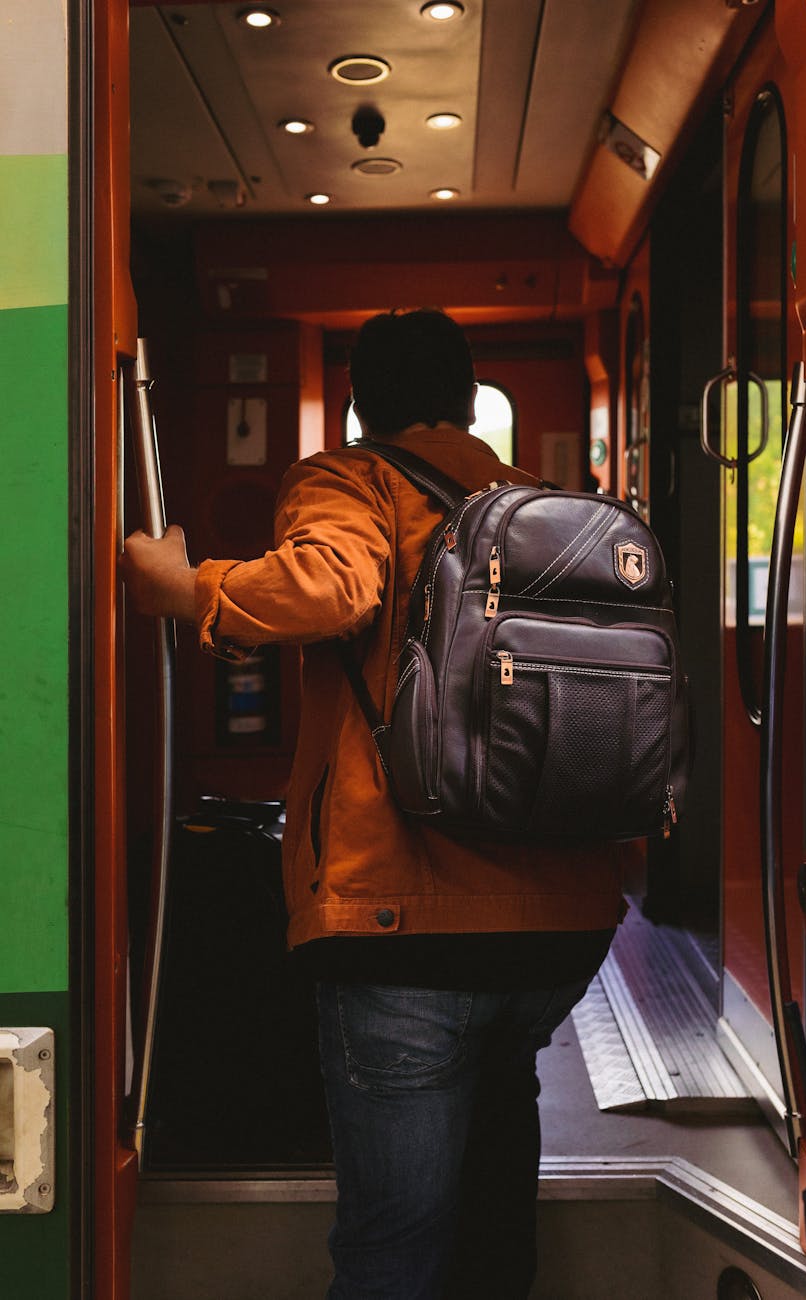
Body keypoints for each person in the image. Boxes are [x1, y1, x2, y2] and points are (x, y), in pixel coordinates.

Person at [122, 309, 623, 1299]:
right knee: (491, 1207)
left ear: (359, 406)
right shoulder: (545, 502)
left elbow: (332, 588)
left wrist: (188, 589)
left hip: (403, 920)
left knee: (395, 1239)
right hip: (558, 924)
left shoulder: (351, 479)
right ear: (467, 399)